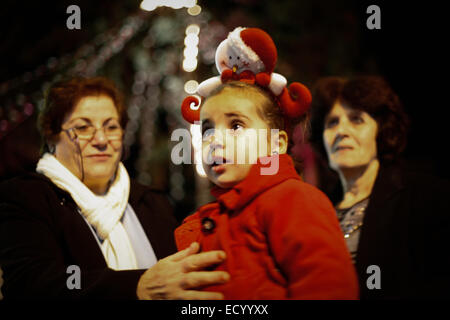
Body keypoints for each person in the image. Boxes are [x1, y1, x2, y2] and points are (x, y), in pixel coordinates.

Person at [0, 76, 229, 300]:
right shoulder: (25, 198)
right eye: (83, 127)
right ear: (52, 137)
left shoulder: (152, 202)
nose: (100, 139)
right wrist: (137, 287)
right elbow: (31, 286)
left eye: (111, 127)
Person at [175, 27, 359, 300]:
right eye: (208, 130)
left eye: (236, 125)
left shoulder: (295, 201)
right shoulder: (207, 219)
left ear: (277, 143)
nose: (215, 140)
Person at [309, 75, 450, 299]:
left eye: (356, 119)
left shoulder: (426, 196)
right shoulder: (316, 211)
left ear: (381, 131)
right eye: (332, 122)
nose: (341, 131)